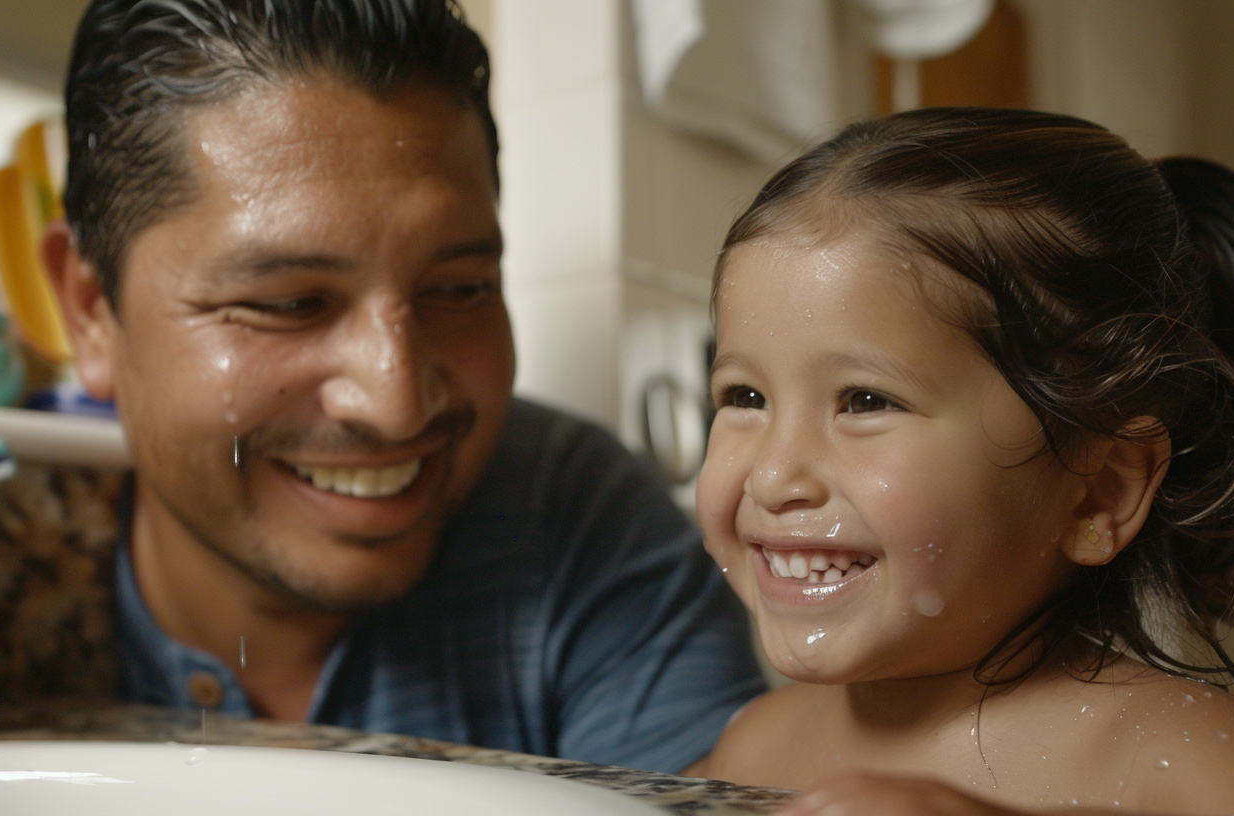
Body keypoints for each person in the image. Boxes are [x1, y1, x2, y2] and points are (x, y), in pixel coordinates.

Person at [40, 0, 763, 774]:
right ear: (90, 312)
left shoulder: (576, 513)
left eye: (459, 289)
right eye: (290, 305)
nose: (398, 404)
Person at [686, 106, 1234, 814]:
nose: (773, 476)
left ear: (1098, 491)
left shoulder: (1197, 775)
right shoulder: (746, 748)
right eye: (744, 394)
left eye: (865, 401)